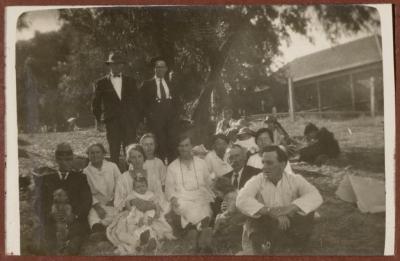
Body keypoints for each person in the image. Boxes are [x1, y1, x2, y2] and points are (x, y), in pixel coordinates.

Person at [236, 145, 323, 255]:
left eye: (269, 163)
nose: (264, 167)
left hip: (289, 222)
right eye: (263, 162)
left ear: (283, 165)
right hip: (266, 223)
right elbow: (241, 199)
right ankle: (267, 248)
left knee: (308, 213)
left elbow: (315, 196)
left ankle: (287, 247)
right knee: (252, 217)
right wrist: (269, 211)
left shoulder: (295, 179)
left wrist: (289, 208)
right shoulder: (257, 180)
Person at [34, 143, 92, 255]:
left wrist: (75, 215)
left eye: (69, 159)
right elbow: (38, 202)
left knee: (72, 248)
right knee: (50, 248)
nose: (65, 162)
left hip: (74, 221)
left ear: (73, 159)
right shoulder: (47, 178)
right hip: (52, 222)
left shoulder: (80, 178)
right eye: (62, 159)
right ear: (56, 160)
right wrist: (50, 214)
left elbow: (87, 201)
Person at [165, 134, 215, 253]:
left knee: (205, 209)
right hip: (182, 197)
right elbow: (169, 188)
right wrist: (173, 199)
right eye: (181, 146)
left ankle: (198, 235)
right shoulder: (172, 166)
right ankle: (199, 233)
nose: (184, 149)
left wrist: (214, 190)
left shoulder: (201, 163)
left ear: (191, 146)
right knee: (185, 208)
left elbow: (208, 182)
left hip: (201, 196)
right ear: (178, 148)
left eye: (186, 145)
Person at [92, 51, 143, 164]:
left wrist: (137, 121)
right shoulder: (101, 83)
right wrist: (99, 120)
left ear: (122, 65)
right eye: (113, 64)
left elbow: (138, 103)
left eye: (119, 64)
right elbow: (96, 104)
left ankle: (131, 177)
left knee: (130, 151)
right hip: (112, 122)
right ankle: (114, 178)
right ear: (109, 65)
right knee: (114, 151)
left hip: (129, 122)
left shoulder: (131, 81)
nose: (116, 66)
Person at [107, 177, 174, 255]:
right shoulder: (132, 194)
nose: (141, 188)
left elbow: (156, 204)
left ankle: (148, 237)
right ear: (134, 188)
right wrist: (130, 210)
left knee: (151, 212)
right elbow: (127, 203)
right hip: (137, 212)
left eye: (143, 186)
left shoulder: (150, 193)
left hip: (148, 212)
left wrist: (157, 212)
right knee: (134, 216)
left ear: (147, 186)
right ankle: (144, 236)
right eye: (138, 187)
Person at [140, 56, 181, 163]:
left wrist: (176, 117)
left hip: (171, 122)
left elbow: (177, 103)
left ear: (166, 69)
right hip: (156, 122)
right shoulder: (147, 84)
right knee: (159, 148)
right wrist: (149, 116)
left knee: (172, 147)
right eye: (157, 67)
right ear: (154, 69)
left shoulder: (171, 84)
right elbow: (141, 104)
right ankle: (159, 170)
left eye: (162, 67)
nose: (160, 69)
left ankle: (172, 172)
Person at [114, 144, 165, 212]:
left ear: (144, 157)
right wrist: (131, 202)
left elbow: (160, 196)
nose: (137, 160)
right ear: (129, 159)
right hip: (131, 212)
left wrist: (150, 205)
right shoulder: (123, 178)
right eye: (133, 157)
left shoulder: (153, 176)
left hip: (151, 210)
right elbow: (118, 201)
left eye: (139, 156)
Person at [83, 143, 120, 234]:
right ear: (88, 155)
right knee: (93, 217)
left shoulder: (112, 166)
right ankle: (100, 231)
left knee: (118, 216)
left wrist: (115, 200)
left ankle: (111, 230)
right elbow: (87, 193)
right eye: (92, 153)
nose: (95, 155)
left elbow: (120, 184)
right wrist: (97, 207)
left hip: (114, 201)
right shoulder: (86, 172)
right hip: (97, 204)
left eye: (98, 152)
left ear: (103, 154)